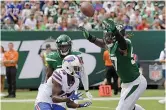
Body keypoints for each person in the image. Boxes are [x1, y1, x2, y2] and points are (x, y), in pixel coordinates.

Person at [79, 19, 147, 110]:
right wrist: (90, 38)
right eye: (107, 35)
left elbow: (122, 44)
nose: (107, 38)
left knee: (121, 108)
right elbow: (101, 43)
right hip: (126, 83)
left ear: (117, 35)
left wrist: (115, 31)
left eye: (110, 35)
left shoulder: (125, 43)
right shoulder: (112, 45)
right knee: (130, 108)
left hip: (135, 82)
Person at [46, 34, 93, 110]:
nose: (64, 49)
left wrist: (86, 90)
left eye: (66, 46)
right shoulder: (52, 57)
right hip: (58, 89)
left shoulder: (76, 56)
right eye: (61, 46)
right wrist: (47, 90)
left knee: (72, 108)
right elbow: (48, 76)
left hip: (72, 88)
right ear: (58, 46)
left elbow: (83, 73)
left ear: (70, 46)